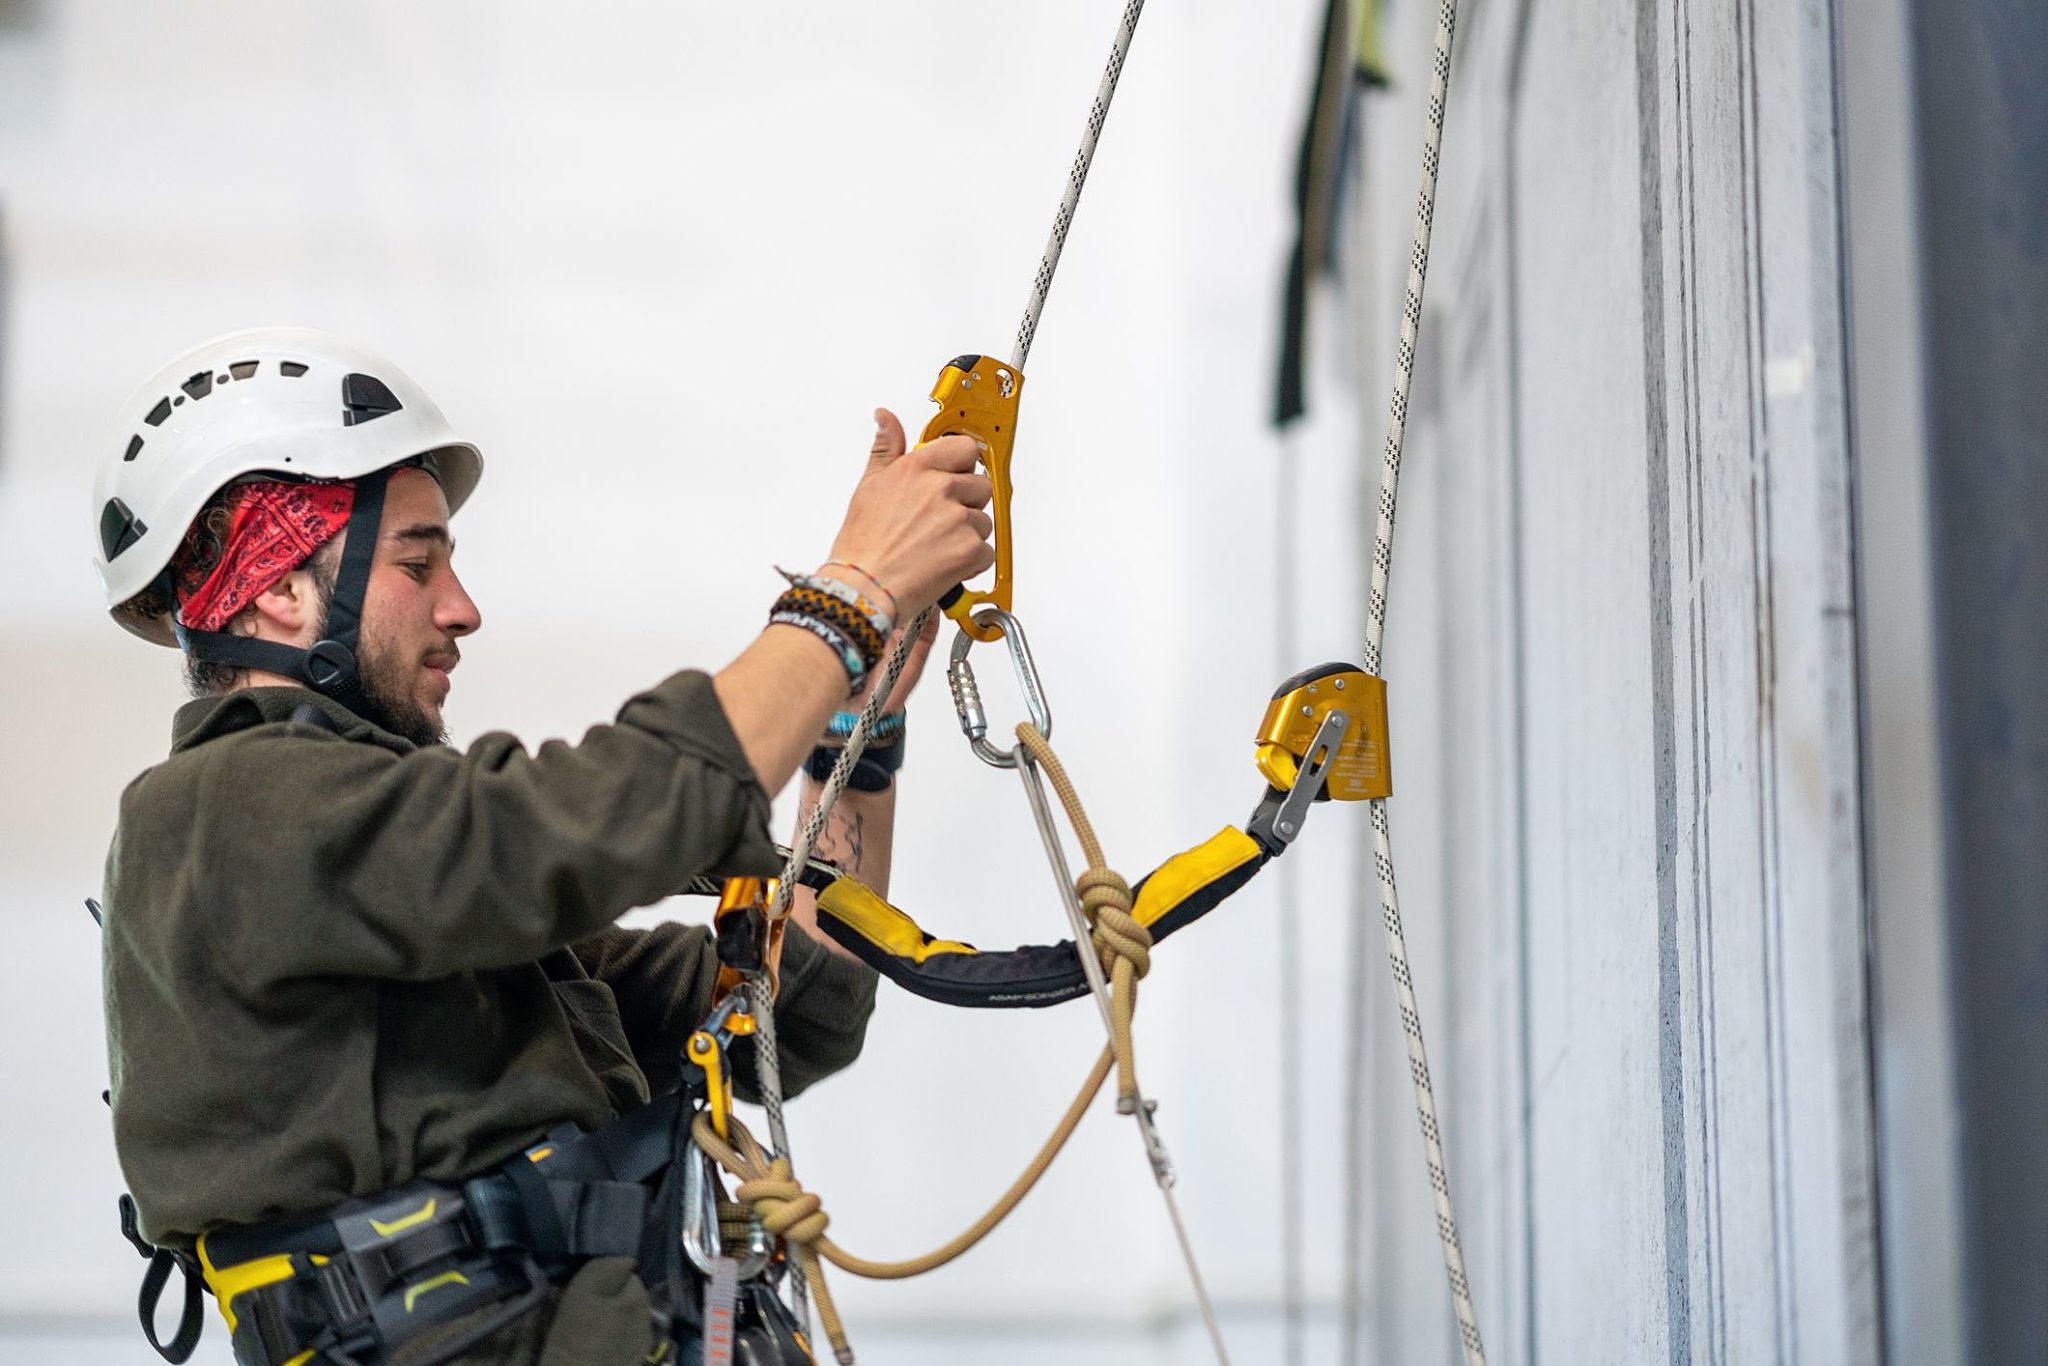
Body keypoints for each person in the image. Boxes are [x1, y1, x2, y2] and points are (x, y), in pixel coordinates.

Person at [90, 326, 996, 1365]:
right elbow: (593, 817)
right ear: (275, 589)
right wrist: (853, 594)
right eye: (416, 563)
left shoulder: (420, 894)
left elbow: (785, 1017)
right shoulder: (220, 812)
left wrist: (855, 733)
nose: (460, 608)